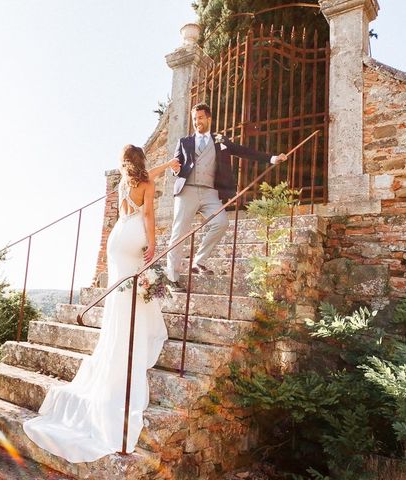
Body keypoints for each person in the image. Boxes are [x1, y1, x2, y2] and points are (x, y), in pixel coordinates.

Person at [23, 145, 176, 463]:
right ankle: (136, 339)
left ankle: (121, 336)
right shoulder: (145, 183)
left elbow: (135, 195)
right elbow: (147, 214)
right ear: (142, 162)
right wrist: (153, 243)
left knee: (123, 292)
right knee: (144, 278)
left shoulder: (124, 181)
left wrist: (168, 164)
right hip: (135, 234)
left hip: (117, 240)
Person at [166, 103, 287, 291]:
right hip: (187, 190)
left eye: (200, 118)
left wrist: (271, 158)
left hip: (210, 191)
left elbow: (243, 151)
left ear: (209, 119)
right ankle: (172, 278)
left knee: (221, 223)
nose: (197, 122)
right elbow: (177, 165)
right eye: (194, 119)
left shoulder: (220, 139)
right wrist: (175, 170)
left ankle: (198, 262)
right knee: (179, 233)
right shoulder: (184, 142)